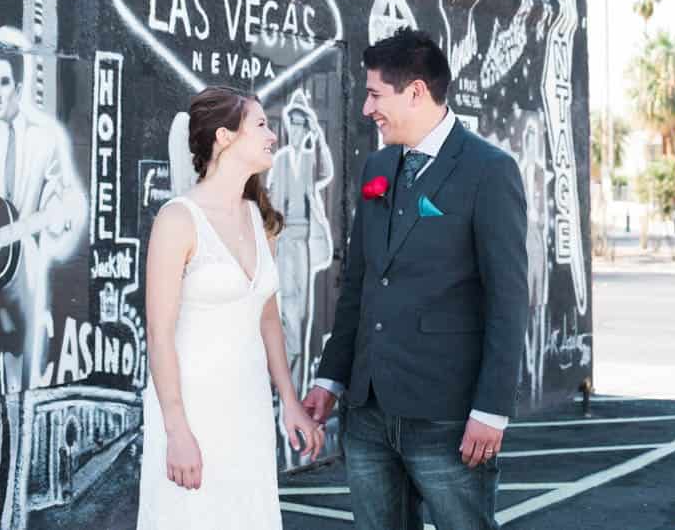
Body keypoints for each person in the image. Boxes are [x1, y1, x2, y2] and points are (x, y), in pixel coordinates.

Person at [303, 28, 529, 530]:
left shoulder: (489, 171)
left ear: (416, 92)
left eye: (374, 94)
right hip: (367, 411)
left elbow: (509, 300)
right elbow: (359, 284)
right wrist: (330, 377)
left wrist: (492, 410)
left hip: (447, 414)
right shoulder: (378, 167)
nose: (367, 109)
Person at [138, 86, 324, 530]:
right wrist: (177, 431)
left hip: (250, 409)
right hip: (192, 410)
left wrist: (291, 402)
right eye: (261, 124)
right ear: (224, 136)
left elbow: (268, 319)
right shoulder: (177, 220)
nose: (273, 135)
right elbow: (159, 336)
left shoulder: (261, 222)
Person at [0, 41, 84, 401]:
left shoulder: (45, 141)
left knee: (20, 394)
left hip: (23, 284)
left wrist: (59, 215)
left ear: (20, 89)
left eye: (4, 82)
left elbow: (59, 199)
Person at [267, 88, 334, 401]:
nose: (295, 130)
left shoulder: (309, 158)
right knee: (286, 313)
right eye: (292, 124)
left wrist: (318, 135)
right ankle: (285, 387)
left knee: (301, 315)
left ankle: (294, 385)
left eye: (301, 125)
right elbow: (269, 203)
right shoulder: (279, 161)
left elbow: (326, 171)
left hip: (304, 242)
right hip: (284, 242)